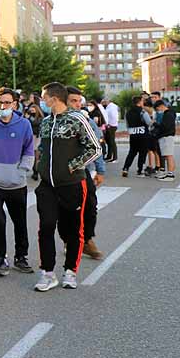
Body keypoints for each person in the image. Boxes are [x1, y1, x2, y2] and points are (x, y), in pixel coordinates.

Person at [34, 82, 102, 292]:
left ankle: (70, 271)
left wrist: (73, 166)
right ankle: (47, 272)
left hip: (72, 185)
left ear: (54, 99)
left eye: (44, 98)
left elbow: (95, 148)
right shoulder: (45, 122)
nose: (42, 102)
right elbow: (44, 149)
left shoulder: (77, 118)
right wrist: (41, 166)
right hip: (47, 186)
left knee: (72, 230)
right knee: (45, 226)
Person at [0, 88, 36, 277]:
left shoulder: (24, 124)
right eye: (0, 102)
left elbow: (29, 150)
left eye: (7, 102)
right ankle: (1, 258)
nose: (3, 106)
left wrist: (23, 170)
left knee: (20, 222)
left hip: (17, 183)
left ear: (15, 104)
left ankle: (21, 257)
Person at [67, 89, 106, 261]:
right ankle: (70, 239)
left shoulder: (87, 120)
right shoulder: (53, 122)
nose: (78, 104)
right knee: (66, 210)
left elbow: (96, 147)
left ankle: (87, 239)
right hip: (61, 174)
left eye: (79, 101)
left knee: (90, 207)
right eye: (73, 101)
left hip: (83, 171)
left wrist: (101, 170)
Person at [121, 94, 149, 177]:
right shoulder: (143, 112)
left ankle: (125, 168)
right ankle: (140, 170)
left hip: (133, 134)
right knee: (142, 153)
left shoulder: (128, 113)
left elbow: (127, 124)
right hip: (143, 134)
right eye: (142, 101)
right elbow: (148, 122)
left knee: (132, 152)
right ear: (140, 102)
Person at [153, 97, 176, 181]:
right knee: (168, 155)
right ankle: (169, 172)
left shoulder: (168, 114)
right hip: (167, 137)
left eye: (157, 109)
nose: (158, 111)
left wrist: (155, 124)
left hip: (166, 137)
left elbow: (165, 127)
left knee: (169, 155)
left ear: (161, 106)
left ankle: (170, 175)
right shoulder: (170, 113)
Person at [100, 96, 119, 161]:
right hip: (109, 126)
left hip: (111, 126)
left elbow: (113, 117)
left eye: (104, 101)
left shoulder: (112, 107)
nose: (103, 103)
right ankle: (109, 156)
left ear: (107, 101)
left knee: (112, 141)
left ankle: (114, 157)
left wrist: (109, 125)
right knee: (109, 142)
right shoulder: (109, 107)